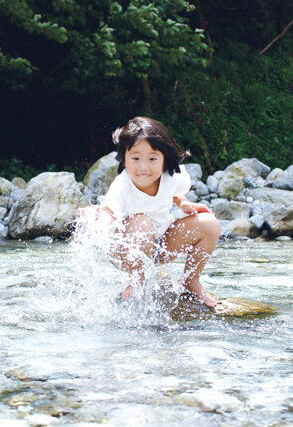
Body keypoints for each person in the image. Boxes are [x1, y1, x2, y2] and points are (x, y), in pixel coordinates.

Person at [89, 116, 220, 307]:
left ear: (164, 158)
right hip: (127, 251)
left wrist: (183, 204)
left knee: (209, 223)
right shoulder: (122, 186)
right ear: (124, 159)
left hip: (160, 246)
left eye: (152, 158)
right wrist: (99, 220)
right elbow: (110, 210)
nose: (143, 167)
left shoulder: (172, 176)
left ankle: (191, 281)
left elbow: (177, 193)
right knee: (141, 222)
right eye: (135, 158)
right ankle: (137, 280)